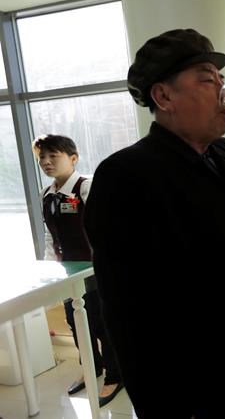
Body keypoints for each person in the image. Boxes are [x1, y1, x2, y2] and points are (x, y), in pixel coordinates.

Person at [83, 29, 225, 418]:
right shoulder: (125, 174)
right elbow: (123, 307)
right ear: (163, 96)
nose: (224, 91)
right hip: (189, 381)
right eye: (206, 79)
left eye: (221, 80)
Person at [32, 134, 123, 407]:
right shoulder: (46, 194)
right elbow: (50, 236)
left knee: (102, 323)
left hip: (96, 270)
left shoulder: (87, 187)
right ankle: (91, 368)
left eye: (54, 156)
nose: (47, 162)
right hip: (66, 273)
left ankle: (115, 376)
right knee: (76, 323)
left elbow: (108, 229)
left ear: (73, 158)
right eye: (42, 157)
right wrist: (48, 270)